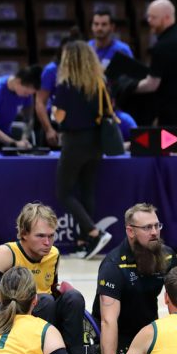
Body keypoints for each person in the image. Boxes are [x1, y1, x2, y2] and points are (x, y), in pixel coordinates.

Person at [0, 203, 86, 354]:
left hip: (45, 314)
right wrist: (14, 317)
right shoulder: (5, 254)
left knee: (74, 298)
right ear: (23, 234)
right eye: (41, 236)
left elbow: (52, 289)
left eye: (51, 236)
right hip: (15, 318)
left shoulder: (54, 254)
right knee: (45, 300)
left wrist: (62, 291)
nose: (47, 242)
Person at [94, 203, 177, 354]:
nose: (155, 232)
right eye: (147, 227)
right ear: (130, 231)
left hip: (149, 333)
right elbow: (108, 321)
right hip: (121, 338)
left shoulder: (168, 257)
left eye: (157, 225)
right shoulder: (113, 265)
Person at [52, 40, 113, 258]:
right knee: (87, 189)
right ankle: (83, 242)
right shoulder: (99, 82)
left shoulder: (66, 84)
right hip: (96, 142)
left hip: (74, 141)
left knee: (64, 192)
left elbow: (59, 116)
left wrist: (54, 112)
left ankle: (94, 233)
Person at [135, 0, 177, 144]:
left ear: (167, 17)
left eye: (153, 17)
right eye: (148, 16)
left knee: (169, 152)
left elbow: (152, 84)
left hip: (174, 114)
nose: (149, 20)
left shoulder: (164, 45)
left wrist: (129, 86)